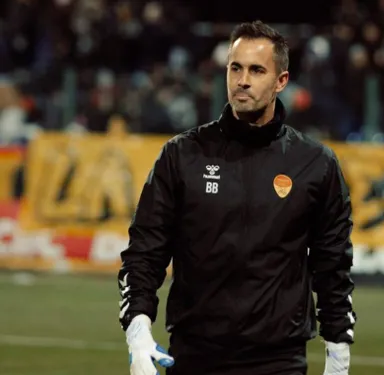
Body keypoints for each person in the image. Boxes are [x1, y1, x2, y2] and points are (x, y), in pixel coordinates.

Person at [118, 20, 357, 375]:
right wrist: (137, 333)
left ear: (281, 81)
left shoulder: (315, 164)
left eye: (257, 70)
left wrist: (338, 356)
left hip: (279, 362)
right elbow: (144, 252)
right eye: (235, 68)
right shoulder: (182, 155)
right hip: (194, 356)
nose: (242, 80)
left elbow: (333, 264)